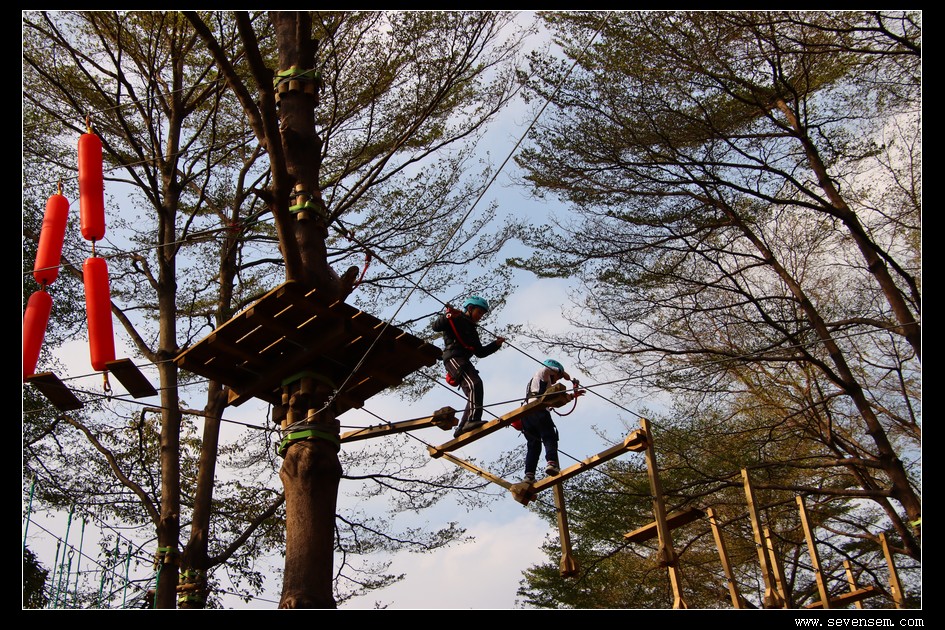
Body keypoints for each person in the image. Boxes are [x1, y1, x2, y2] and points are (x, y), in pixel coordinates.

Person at [432, 296, 506, 438]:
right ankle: (472, 420)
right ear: (470, 309)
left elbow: (480, 352)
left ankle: (463, 427)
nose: (480, 316)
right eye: (479, 312)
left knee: (476, 388)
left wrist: (495, 345)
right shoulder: (455, 318)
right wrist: (448, 316)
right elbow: (436, 327)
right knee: (474, 384)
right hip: (453, 357)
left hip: (463, 360)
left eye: (482, 314)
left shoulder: (472, 330)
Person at [520, 359, 579, 483]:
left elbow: (554, 401)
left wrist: (572, 396)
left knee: (534, 446)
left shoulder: (543, 384)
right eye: (558, 377)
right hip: (538, 411)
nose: (557, 379)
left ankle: (529, 475)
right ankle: (551, 463)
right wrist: (562, 372)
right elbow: (546, 369)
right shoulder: (541, 375)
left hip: (527, 416)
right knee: (549, 436)